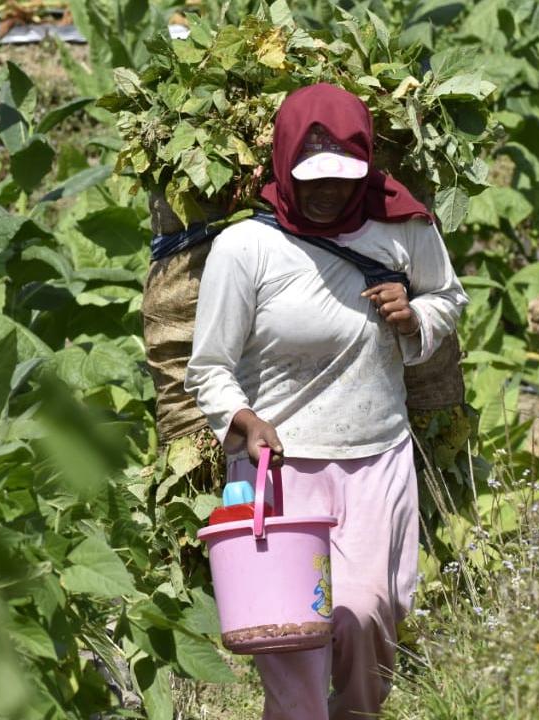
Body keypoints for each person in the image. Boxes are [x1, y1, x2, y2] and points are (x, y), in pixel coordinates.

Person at [185, 82, 467, 720]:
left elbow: (448, 298)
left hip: (376, 456)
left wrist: (414, 314)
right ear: (285, 166)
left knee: (371, 614)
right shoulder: (246, 249)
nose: (327, 190)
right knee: (290, 636)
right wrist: (242, 419)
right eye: (311, 177)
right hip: (278, 469)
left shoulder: (404, 227)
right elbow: (209, 366)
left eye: (343, 176)